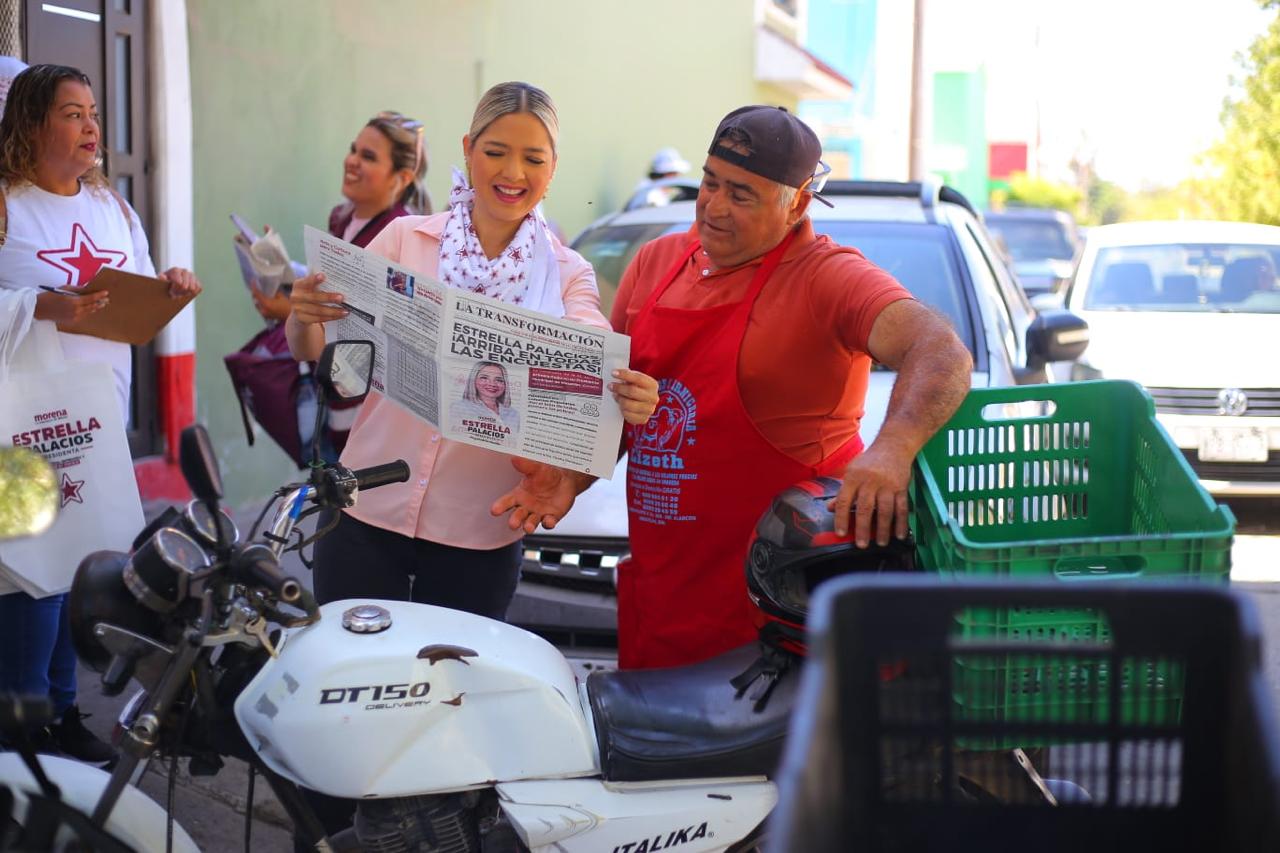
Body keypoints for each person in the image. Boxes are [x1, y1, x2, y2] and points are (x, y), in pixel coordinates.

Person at [285, 79, 656, 845]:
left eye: (532, 156)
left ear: (553, 170)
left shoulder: (567, 275)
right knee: (340, 707)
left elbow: (590, 355)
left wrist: (625, 394)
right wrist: (304, 318)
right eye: (495, 150)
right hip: (366, 513)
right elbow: (331, 363)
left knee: (446, 721)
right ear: (466, 152)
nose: (510, 170)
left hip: (479, 538)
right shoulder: (402, 243)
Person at [498, 105, 973, 671]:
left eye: (743, 195)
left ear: (795, 202)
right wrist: (572, 476)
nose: (715, 208)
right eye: (710, 182)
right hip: (663, 600)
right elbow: (620, 406)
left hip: (779, 621)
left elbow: (941, 350)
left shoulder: (827, 277)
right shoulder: (655, 262)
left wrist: (893, 451)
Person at [0, 64, 202, 763]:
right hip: (22, 420)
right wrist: (41, 306)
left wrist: (167, 288)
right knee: (28, 568)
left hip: (95, 412)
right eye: (71, 113)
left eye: (93, 113)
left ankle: (58, 714)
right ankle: (19, 722)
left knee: (76, 561)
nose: (92, 127)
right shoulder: (6, 204)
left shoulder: (112, 207)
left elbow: (134, 294)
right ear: (29, 124)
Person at [238, 110, 430, 463]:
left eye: (368, 157)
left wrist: (289, 312)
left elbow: (377, 329)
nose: (352, 161)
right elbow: (334, 287)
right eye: (353, 149)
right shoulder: (341, 218)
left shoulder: (403, 235)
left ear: (401, 177)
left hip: (366, 417)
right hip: (327, 394)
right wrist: (279, 268)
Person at [451, 360, 520, 444]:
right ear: (473, 381)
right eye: (484, 378)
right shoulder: (458, 408)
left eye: (499, 380)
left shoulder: (514, 413)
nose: (492, 384)